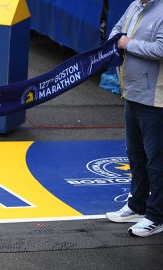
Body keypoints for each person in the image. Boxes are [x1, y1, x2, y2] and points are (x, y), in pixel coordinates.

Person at [105, 0, 163, 237]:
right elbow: (115, 33)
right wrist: (121, 40)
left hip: (156, 100)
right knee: (135, 155)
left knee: (156, 161)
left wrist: (129, 43)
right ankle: (137, 205)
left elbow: (161, 48)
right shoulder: (135, 6)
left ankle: (157, 216)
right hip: (132, 93)